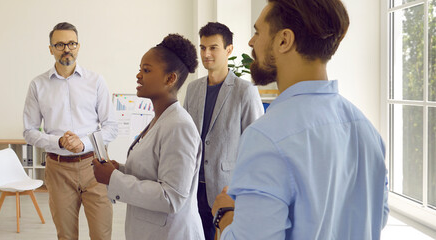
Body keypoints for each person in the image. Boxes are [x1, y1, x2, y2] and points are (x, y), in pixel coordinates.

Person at [211, 0, 389, 239]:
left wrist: (225, 213)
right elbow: (379, 216)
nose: (252, 42)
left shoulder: (266, 137)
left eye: (257, 32)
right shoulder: (366, 129)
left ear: (284, 40)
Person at [92, 34, 204, 240]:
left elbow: (172, 197)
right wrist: (120, 170)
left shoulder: (179, 126)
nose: (138, 76)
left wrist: (113, 178)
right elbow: (152, 174)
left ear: (170, 79)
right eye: (140, 69)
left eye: (146, 70)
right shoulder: (159, 120)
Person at [23, 22, 118, 240]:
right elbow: (29, 131)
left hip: (95, 166)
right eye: (60, 44)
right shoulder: (38, 85)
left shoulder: (96, 81)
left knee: (102, 235)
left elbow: (111, 127)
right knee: (65, 235)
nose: (67, 49)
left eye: (71, 43)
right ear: (50, 49)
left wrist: (83, 143)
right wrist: (59, 142)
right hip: (58, 169)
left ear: (78, 46)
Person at [183, 22, 264, 240]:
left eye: (213, 47)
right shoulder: (193, 89)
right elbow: (185, 137)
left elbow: (256, 148)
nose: (206, 53)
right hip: (191, 186)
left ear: (229, 50)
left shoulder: (245, 91)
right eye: (202, 47)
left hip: (225, 188)